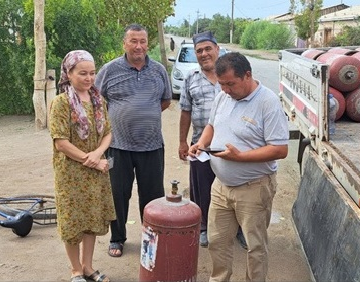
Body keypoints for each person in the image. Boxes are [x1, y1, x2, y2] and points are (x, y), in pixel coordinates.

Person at [188, 52, 289, 281]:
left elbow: (280, 149)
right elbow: (212, 125)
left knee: (255, 247)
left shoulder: (267, 102)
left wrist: (240, 157)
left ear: (247, 75)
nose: (225, 89)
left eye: (230, 84)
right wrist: (201, 143)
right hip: (221, 186)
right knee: (217, 241)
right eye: (222, 84)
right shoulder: (223, 96)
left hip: (254, 188)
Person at [95, 23, 172, 258]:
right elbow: (97, 102)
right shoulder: (109, 70)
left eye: (142, 41)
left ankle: (152, 238)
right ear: (124, 44)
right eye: (133, 41)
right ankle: (117, 238)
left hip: (151, 146)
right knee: (118, 194)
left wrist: (142, 115)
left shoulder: (159, 70)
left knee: (153, 196)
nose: (139, 46)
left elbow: (165, 101)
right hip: (118, 147)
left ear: (148, 44)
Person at [49, 50, 115, 282]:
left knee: (91, 219)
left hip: (95, 171)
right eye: (82, 73)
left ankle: (88, 267)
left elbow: (107, 133)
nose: (88, 78)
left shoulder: (98, 101)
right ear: (69, 73)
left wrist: (97, 155)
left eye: (92, 73)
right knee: (72, 221)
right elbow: (61, 143)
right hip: (71, 173)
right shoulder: (61, 103)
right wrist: (91, 160)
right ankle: (75, 269)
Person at [179, 31, 247, 249]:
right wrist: (183, 142)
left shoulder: (232, 75)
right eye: (199, 50)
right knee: (203, 188)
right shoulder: (191, 78)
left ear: (217, 49)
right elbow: (185, 112)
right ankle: (204, 228)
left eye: (208, 48)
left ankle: (239, 230)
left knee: (236, 188)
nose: (204, 53)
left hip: (233, 145)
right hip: (201, 143)